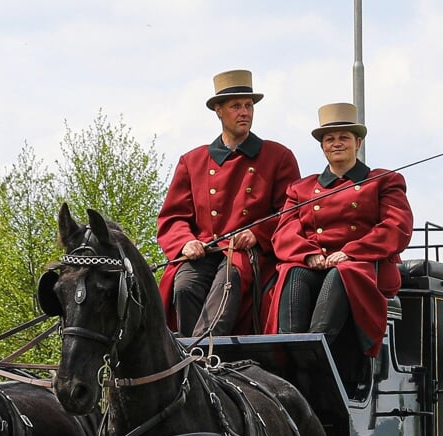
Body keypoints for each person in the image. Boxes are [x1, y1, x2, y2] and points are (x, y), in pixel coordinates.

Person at [267, 102, 413, 376]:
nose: (336, 144)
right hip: (315, 264)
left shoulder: (383, 181)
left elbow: (397, 227)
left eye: (344, 137)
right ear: (322, 146)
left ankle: (315, 353)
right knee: (293, 271)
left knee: (343, 273)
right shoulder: (301, 189)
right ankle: (289, 353)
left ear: (358, 143)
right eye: (329, 139)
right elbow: (284, 230)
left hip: (362, 265)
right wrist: (308, 253)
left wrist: (352, 252)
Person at [156, 69, 301, 338]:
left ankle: (202, 350)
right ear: (218, 111)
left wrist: (257, 233)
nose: (245, 112)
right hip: (205, 250)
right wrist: (185, 242)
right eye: (236, 106)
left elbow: (290, 212)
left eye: (249, 106)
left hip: (247, 253)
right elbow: (173, 217)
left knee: (229, 281)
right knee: (184, 285)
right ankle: (187, 349)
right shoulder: (193, 161)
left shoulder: (278, 156)